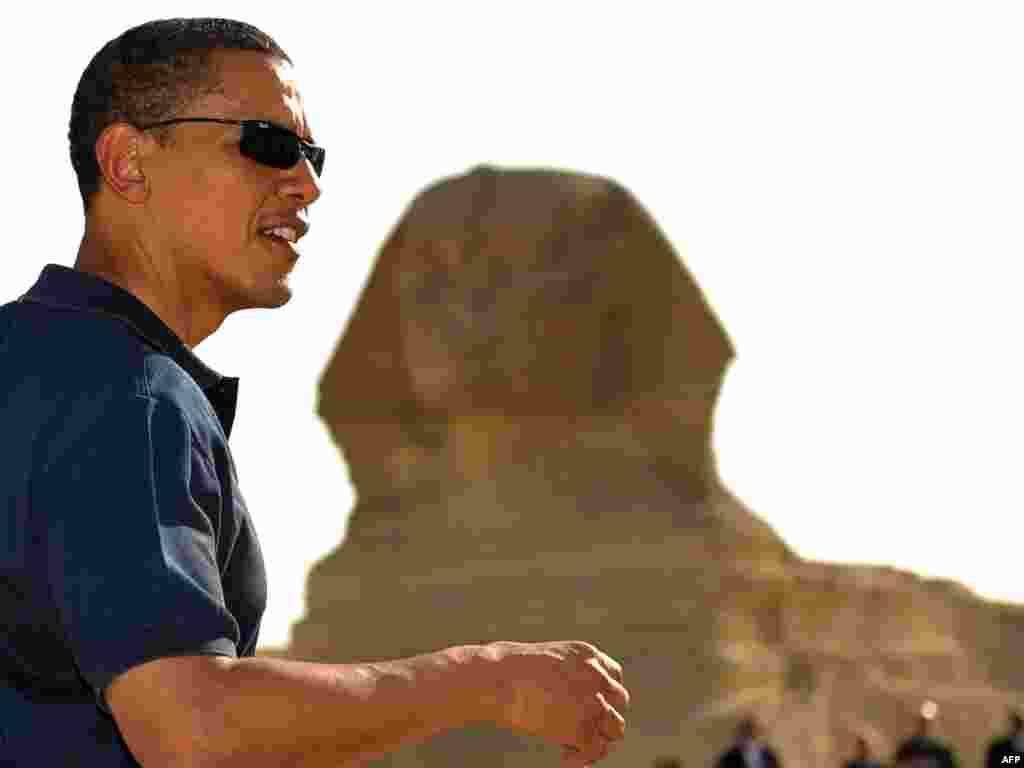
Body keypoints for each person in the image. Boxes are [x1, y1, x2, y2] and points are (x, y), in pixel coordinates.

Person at [0, 17, 629, 768]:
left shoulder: (35, 365)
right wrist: (487, 681)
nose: (308, 184)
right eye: (267, 145)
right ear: (129, 162)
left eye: (311, 155)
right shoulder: (128, 397)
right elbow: (194, 730)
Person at [892, 703, 957, 768]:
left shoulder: (942, 750)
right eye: (923, 722)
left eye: (929, 722)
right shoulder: (908, 747)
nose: (926, 726)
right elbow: (898, 763)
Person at [713, 716, 782, 768]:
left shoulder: (768, 755)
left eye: (751, 735)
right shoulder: (728, 758)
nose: (748, 741)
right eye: (743, 736)